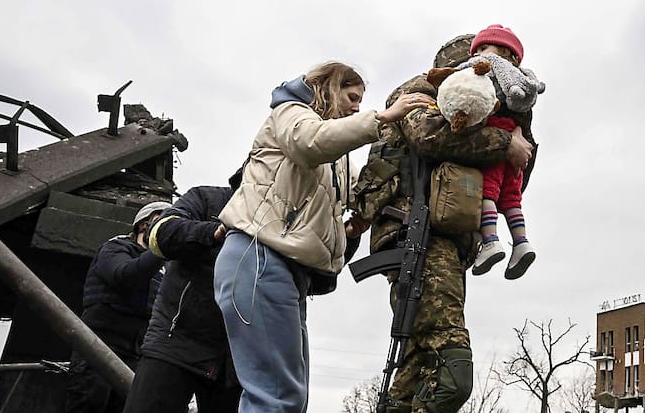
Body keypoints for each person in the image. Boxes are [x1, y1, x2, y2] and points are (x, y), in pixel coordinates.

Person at [213, 61, 432, 413]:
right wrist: (382, 118)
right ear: (328, 88)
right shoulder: (290, 113)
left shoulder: (337, 162)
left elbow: (359, 191)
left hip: (285, 270)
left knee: (290, 397)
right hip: (260, 259)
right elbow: (310, 142)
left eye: (361, 102)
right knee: (275, 395)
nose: (357, 108)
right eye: (352, 97)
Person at [352, 35, 536, 413]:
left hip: (450, 247)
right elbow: (428, 135)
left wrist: (518, 122)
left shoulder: (494, 110)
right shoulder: (419, 91)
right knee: (452, 375)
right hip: (415, 236)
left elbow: (517, 174)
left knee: (414, 379)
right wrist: (505, 141)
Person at [122, 172, 243, 413]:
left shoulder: (283, 220)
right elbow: (162, 232)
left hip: (236, 361)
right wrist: (213, 232)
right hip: (174, 343)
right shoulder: (206, 198)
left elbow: (312, 279)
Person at [66, 201, 171, 413]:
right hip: (100, 343)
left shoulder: (165, 268)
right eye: (164, 221)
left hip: (137, 352)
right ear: (143, 225)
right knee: (90, 401)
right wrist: (161, 250)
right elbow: (123, 275)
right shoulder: (116, 247)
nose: (170, 229)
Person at [459, 24, 546, 280]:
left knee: (488, 192)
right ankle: (521, 243)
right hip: (517, 151)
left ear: (507, 53)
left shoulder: (485, 73)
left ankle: (491, 241)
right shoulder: (525, 82)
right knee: (511, 199)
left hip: (495, 145)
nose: (477, 55)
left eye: (484, 47)